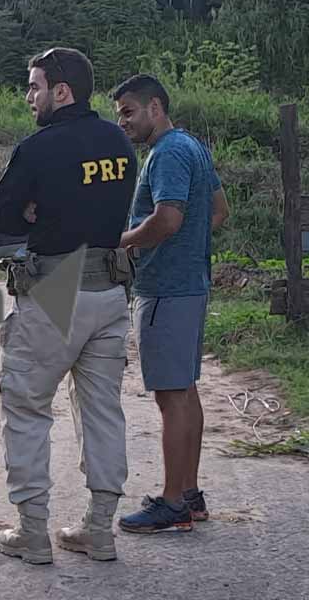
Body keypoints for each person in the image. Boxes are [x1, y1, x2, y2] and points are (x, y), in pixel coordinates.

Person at [0, 47, 138, 564]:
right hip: (111, 292)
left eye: (34, 87)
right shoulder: (119, 141)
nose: (29, 97)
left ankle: (32, 532)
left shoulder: (38, 149)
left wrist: (35, 213)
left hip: (56, 289)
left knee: (27, 408)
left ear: (61, 91)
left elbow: (2, 219)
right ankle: (100, 530)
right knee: (103, 412)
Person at [112, 74, 230, 534]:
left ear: (155, 108)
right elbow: (219, 210)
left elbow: (166, 218)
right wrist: (188, 245)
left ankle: (172, 500)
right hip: (190, 285)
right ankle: (190, 493)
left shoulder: (167, 153)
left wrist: (121, 243)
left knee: (170, 396)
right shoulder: (193, 147)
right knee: (185, 390)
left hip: (167, 290)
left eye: (129, 112)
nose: (123, 122)